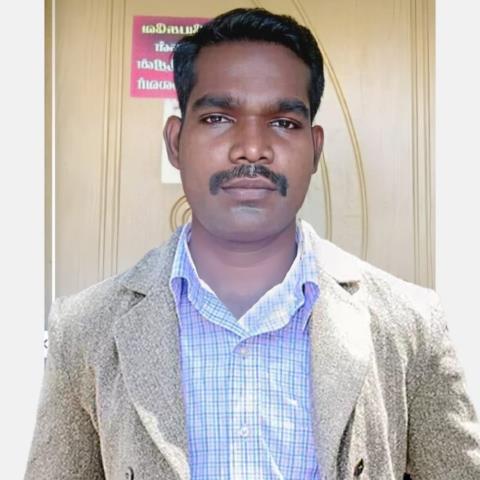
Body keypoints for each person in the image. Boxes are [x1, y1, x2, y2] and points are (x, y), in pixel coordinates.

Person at [25, 8, 480, 480]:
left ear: (315, 148)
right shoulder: (84, 329)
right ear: (176, 142)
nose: (251, 148)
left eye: (283, 122)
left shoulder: (411, 324)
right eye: (218, 117)